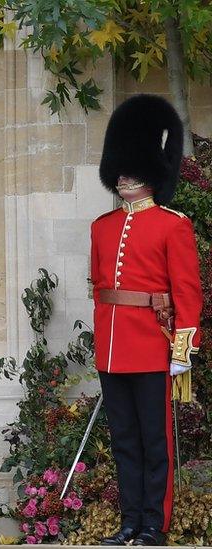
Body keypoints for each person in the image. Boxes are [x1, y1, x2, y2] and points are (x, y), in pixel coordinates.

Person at [92, 95, 202, 547]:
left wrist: (182, 352)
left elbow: (187, 295)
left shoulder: (173, 225)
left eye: (130, 168)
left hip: (153, 348)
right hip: (114, 350)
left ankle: (154, 526)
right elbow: (99, 291)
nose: (122, 176)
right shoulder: (102, 226)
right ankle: (130, 522)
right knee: (125, 443)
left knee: (156, 444)